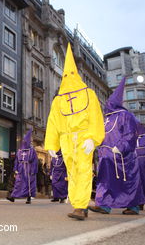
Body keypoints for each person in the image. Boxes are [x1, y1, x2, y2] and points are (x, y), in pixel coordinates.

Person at [44, 43, 105, 220]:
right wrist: (51, 144)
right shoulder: (58, 101)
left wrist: (93, 138)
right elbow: (53, 122)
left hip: (84, 137)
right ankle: (79, 204)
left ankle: (80, 206)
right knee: (71, 173)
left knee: (84, 170)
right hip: (66, 141)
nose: (68, 78)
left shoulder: (89, 94)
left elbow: (95, 117)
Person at [89, 77, 142, 215]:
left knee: (127, 181)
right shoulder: (106, 118)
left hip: (122, 157)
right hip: (105, 156)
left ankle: (133, 206)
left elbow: (130, 134)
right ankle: (103, 205)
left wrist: (121, 148)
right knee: (104, 181)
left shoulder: (126, 115)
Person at [8, 129, 38, 204]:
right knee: (18, 183)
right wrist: (15, 169)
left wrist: (33, 170)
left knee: (29, 184)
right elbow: (17, 160)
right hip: (21, 168)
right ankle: (13, 196)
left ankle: (28, 198)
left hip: (29, 168)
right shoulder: (20, 151)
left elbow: (35, 161)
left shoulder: (32, 151)